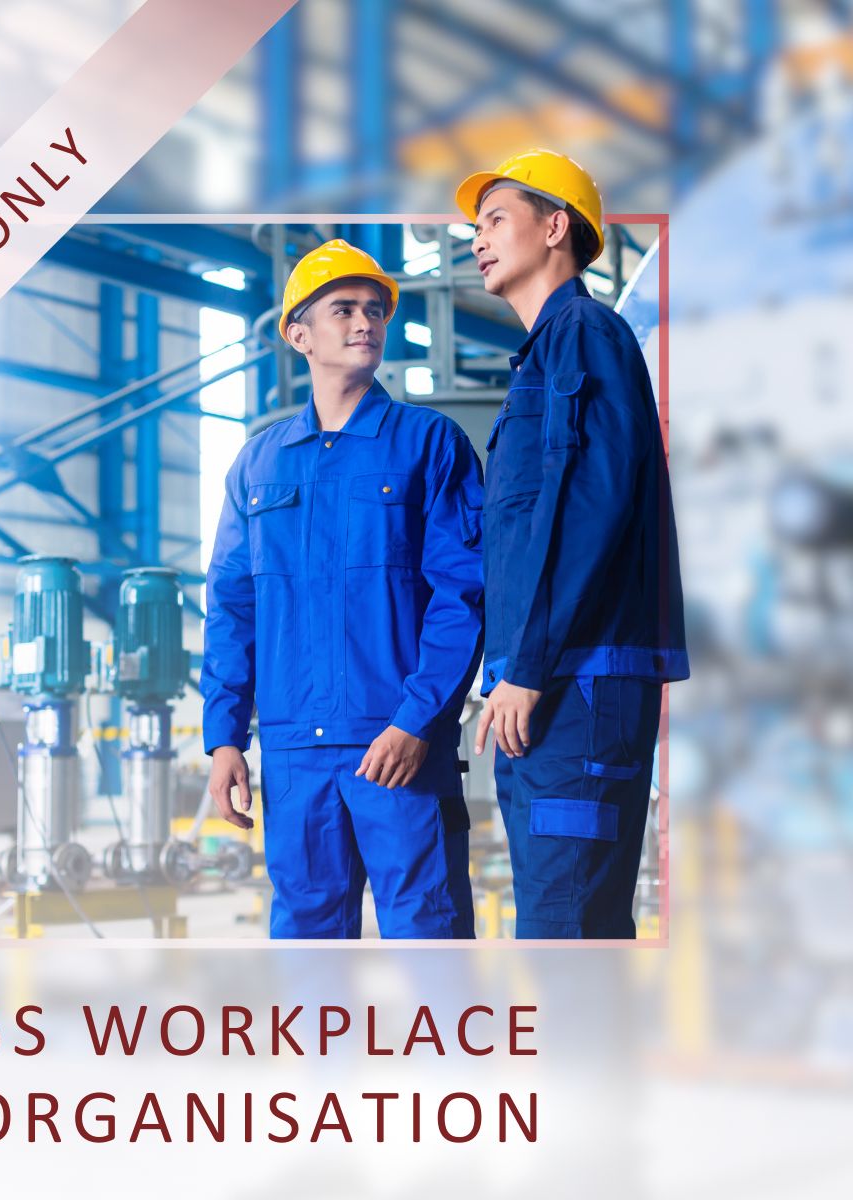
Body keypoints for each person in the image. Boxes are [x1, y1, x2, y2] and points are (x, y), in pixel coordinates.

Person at [200, 238, 486, 940]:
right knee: (305, 941)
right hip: (295, 754)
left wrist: (417, 720)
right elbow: (233, 609)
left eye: (375, 310)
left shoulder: (428, 444)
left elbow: (464, 594)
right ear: (299, 335)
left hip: (396, 746)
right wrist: (224, 738)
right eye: (344, 309)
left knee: (429, 934)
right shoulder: (258, 465)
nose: (366, 322)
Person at [456, 149, 689, 938]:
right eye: (473, 226)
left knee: (565, 933)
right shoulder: (549, 352)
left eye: (495, 219)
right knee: (572, 927)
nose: (476, 239)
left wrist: (526, 666)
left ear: (556, 226)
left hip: (574, 685)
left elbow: (591, 505)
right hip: (558, 687)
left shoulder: (584, 334)